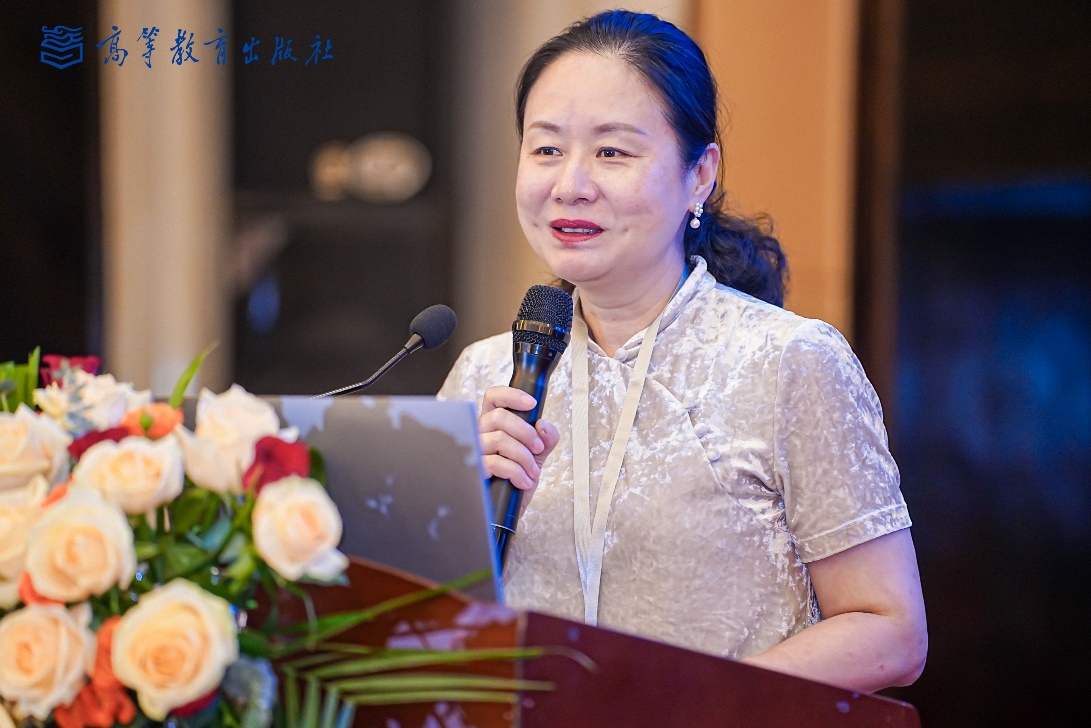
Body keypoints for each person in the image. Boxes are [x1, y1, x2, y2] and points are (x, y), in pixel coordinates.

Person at [438, 9, 926, 693]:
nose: (569, 184)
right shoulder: (483, 373)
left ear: (699, 175)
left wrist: (694, 708)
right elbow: (427, 627)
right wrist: (448, 514)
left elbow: (890, 629)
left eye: (612, 152)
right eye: (545, 149)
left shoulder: (788, 361)